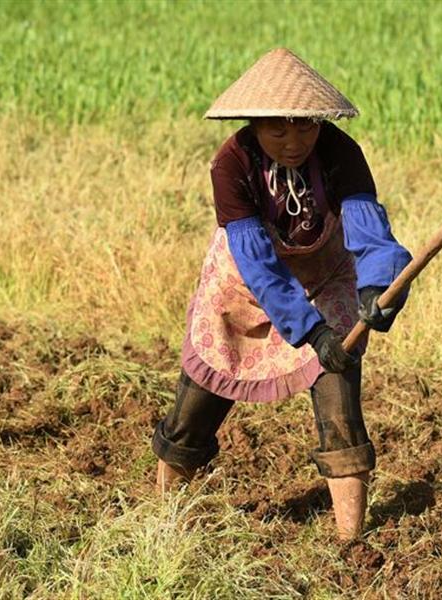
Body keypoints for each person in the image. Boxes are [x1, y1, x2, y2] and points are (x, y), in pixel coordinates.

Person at [152, 48, 412, 540]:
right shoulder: (230, 164)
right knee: (199, 398)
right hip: (245, 285)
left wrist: (379, 286)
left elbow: (369, 229)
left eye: (306, 129)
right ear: (254, 125)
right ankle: (167, 520)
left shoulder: (340, 152)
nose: (294, 143)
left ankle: (351, 541)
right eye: (278, 132)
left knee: (338, 386)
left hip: (326, 276)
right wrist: (309, 330)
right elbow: (258, 263)